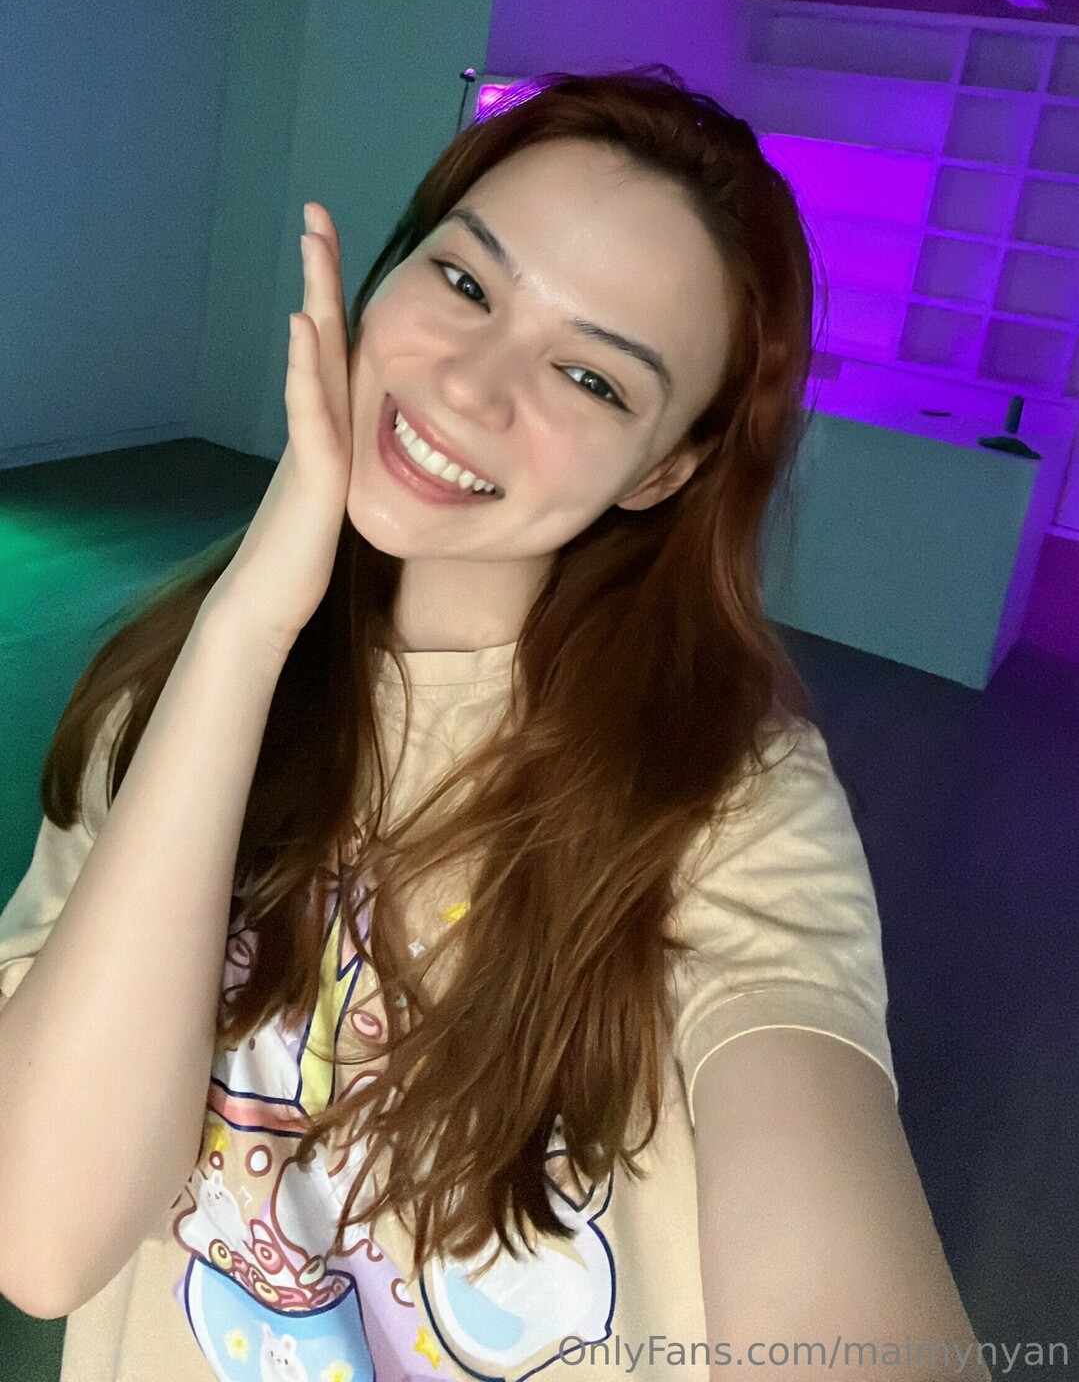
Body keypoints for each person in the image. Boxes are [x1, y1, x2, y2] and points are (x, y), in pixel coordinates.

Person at [0, 70, 982, 1381]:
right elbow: (42, 1240)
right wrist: (245, 632)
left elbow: (822, 1200)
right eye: (465, 281)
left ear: (665, 470)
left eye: (590, 375)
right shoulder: (168, 702)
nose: (469, 385)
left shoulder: (728, 797)